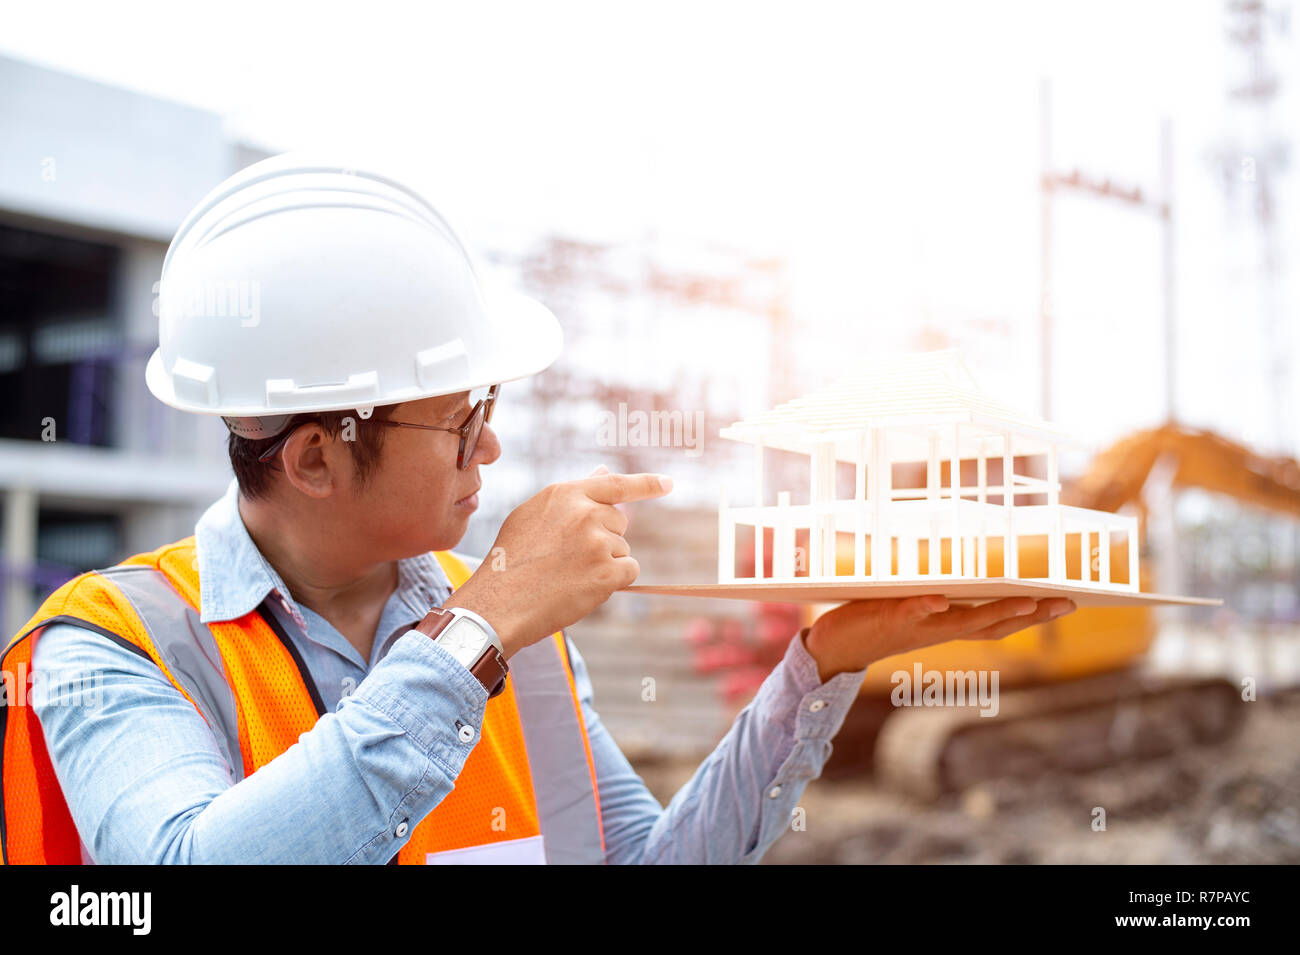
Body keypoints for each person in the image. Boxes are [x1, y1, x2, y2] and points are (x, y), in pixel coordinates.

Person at [0, 155, 1074, 864]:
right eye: (463, 422)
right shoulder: (115, 648)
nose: (496, 448)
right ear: (319, 459)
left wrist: (825, 661)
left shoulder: (511, 641)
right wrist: (479, 628)